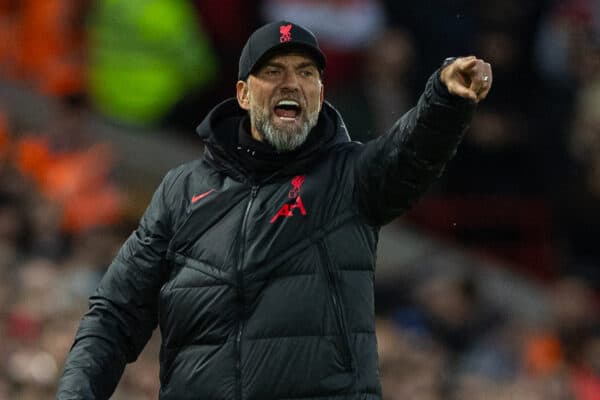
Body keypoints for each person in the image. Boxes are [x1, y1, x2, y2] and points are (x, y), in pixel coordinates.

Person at [56, 20, 492, 399]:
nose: (292, 83)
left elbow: (407, 155)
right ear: (244, 94)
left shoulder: (350, 177)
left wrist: (444, 100)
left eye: (306, 73)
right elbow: (114, 314)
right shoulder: (181, 191)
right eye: (273, 71)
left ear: (321, 94)